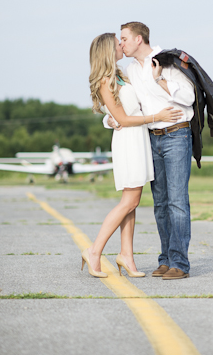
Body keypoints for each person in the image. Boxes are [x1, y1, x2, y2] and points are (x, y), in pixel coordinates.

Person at [83, 32, 182, 278]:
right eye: (118, 43)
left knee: (132, 203)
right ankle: (94, 251)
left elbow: (119, 113)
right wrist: (156, 117)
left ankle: (126, 255)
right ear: (108, 50)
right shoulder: (106, 80)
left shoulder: (119, 74)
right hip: (128, 141)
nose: (122, 45)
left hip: (137, 139)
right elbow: (123, 118)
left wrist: (111, 119)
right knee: (129, 201)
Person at [108, 21, 196, 280]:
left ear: (138, 39)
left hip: (177, 134)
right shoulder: (131, 70)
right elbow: (125, 105)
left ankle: (180, 263)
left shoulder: (168, 62)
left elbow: (189, 98)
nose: (120, 43)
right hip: (151, 139)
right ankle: (166, 259)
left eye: (123, 38)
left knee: (177, 202)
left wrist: (160, 80)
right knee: (160, 204)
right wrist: (110, 120)